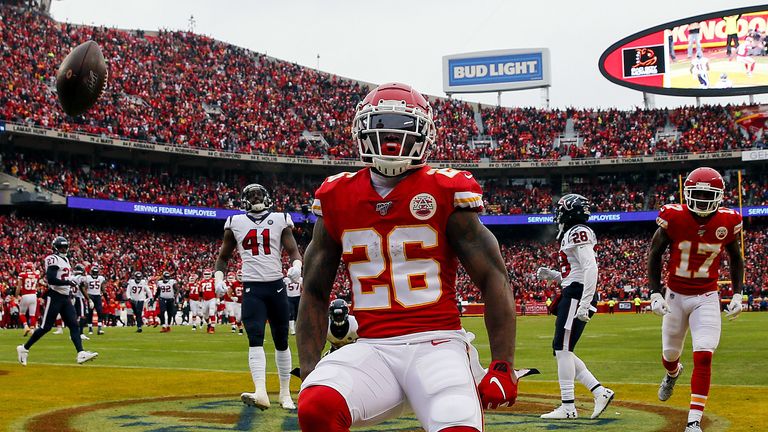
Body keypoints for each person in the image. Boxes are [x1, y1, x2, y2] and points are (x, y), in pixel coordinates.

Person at [296, 83, 518, 432]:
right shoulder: (337, 194)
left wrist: (502, 364)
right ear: (362, 130)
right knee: (316, 406)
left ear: (424, 135)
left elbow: (494, 276)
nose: (392, 137)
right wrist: (309, 370)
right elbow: (314, 290)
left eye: (401, 127)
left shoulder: (446, 189)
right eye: (382, 124)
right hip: (372, 348)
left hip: (438, 344)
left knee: (456, 427)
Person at [647, 167, 744, 432]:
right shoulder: (673, 216)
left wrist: (738, 292)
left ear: (719, 196)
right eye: (697, 194)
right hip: (675, 296)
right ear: (687, 194)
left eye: (707, 194)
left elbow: (736, 258)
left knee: (704, 356)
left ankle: (693, 421)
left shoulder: (728, 221)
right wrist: (655, 293)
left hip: (707, 296)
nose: (701, 200)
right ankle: (672, 372)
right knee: (669, 354)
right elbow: (654, 254)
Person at [215, 183, 303, 410]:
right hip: (252, 288)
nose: (255, 198)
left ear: (266, 197)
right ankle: (261, 391)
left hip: (275, 286)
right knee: (255, 338)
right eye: (251, 195)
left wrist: (296, 265)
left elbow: (293, 250)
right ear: (244, 200)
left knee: (281, 340)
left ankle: (285, 394)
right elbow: (223, 257)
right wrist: (218, 278)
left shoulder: (280, 219)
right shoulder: (235, 222)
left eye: (258, 194)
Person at [536, 194, 615, 420]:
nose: (558, 215)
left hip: (577, 295)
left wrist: (584, 302)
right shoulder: (573, 233)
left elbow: (591, 268)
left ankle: (568, 406)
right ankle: (600, 391)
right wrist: (555, 275)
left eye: (561, 210)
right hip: (574, 291)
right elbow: (576, 272)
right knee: (561, 348)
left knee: (562, 349)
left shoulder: (577, 231)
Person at [16, 237, 98, 366]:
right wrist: (68, 282)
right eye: (61, 247)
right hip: (55, 296)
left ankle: (80, 353)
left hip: (65, 297)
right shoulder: (52, 259)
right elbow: (51, 279)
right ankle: (24, 348)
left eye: (65, 247)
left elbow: (64, 277)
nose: (64, 249)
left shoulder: (65, 259)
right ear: (55, 248)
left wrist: (72, 280)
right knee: (45, 327)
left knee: (73, 325)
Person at [16, 262, 39, 336]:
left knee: (22, 313)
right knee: (32, 314)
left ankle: (26, 326)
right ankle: (32, 330)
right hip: (33, 295)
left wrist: (16, 295)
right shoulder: (36, 274)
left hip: (25, 295)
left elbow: (19, 287)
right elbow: (37, 285)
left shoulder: (22, 274)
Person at [84, 264, 106, 335]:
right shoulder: (88, 278)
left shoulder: (101, 278)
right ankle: (90, 329)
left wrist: (105, 295)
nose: (95, 274)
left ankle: (99, 328)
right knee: (90, 313)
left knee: (100, 312)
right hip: (90, 296)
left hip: (97, 296)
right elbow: (85, 287)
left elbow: (103, 288)